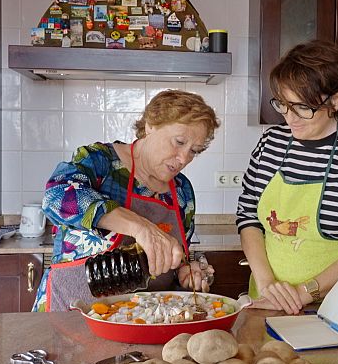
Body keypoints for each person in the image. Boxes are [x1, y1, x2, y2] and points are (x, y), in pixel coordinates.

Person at [237, 40, 338, 314]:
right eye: (283, 105)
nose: (290, 118)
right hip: (267, 302)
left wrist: (302, 293)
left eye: (302, 107)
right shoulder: (271, 143)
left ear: (335, 100)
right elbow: (248, 215)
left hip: (337, 308)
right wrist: (267, 286)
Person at [32, 90, 220, 312]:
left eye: (194, 151)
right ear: (151, 125)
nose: (184, 158)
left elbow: (177, 258)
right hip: (71, 313)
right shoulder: (100, 161)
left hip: (141, 320)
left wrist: (186, 272)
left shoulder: (182, 191)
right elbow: (57, 196)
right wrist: (141, 228)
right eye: (179, 142)